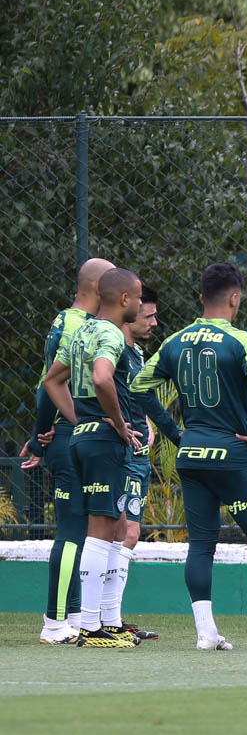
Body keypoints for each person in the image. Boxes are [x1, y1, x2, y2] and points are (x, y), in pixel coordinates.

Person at [131, 262, 247, 652]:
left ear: (201, 298)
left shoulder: (174, 342)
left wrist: (175, 432)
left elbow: (139, 385)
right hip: (232, 454)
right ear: (235, 298)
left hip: (192, 453)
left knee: (201, 545)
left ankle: (206, 634)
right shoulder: (242, 341)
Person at [40, 267, 144, 648]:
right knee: (100, 533)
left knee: (115, 527)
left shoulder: (82, 329)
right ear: (124, 300)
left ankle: (107, 621)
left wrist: (79, 420)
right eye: (137, 297)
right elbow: (102, 378)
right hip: (103, 442)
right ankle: (90, 627)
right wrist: (117, 423)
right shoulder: (110, 333)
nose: (139, 304)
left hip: (82, 437)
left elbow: (52, 380)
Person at [25, 256, 114, 645]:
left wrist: (39, 433)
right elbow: (51, 382)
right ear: (98, 290)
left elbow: (46, 382)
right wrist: (61, 427)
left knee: (78, 531)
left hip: (61, 434)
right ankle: (54, 622)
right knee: (73, 532)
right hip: (73, 439)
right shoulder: (84, 327)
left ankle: (73, 617)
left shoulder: (63, 319)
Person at [114, 284, 182, 641]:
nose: (155, 322)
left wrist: (150, 424)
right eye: (149, 315)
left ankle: (110, 616)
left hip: (139, 454)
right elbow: (96, 392)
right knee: (121, 532)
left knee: (128, 533)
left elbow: (136, 397)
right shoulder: (112, 351)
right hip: (119, 454)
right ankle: (99, 618)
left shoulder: (138, 354)